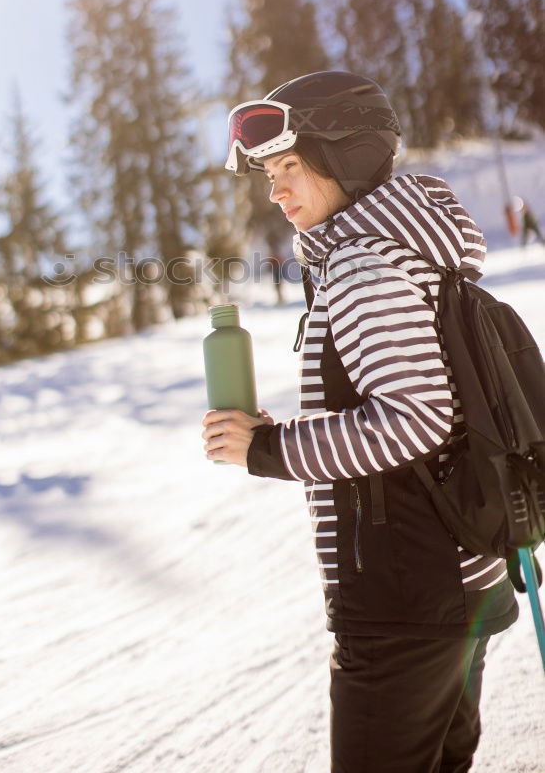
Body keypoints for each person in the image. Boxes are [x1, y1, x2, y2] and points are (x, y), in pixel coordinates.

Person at [201, 71, 518, 773]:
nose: (276, 190)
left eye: (289, 165)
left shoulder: (363, 266)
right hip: (457, 575)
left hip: (405, 592)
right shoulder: (403, 249)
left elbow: (412, 419)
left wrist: (268, 448)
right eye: (268, 173)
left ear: (345, 154)